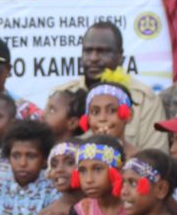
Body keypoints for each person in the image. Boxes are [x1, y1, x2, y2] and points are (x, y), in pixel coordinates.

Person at [59, 22, 165, 151]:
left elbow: (155, 158)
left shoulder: (144, 100)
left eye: (102, 51)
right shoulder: (63, 96)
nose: (93, 58)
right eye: (88, 51)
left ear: (120, 56)